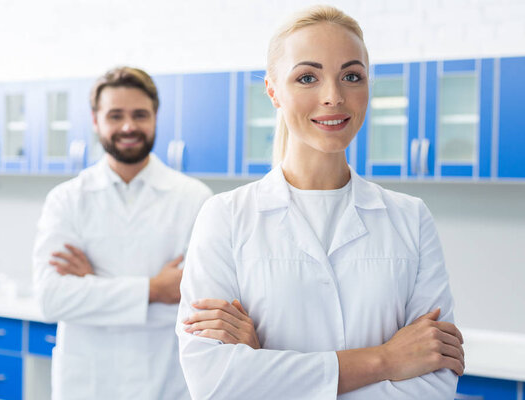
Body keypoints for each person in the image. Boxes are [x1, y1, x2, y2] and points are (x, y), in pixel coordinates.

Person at [176, 6, 464, 400]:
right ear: (273, 90)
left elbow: (435, 379)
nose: (334, 96)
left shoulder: (410, 218)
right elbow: (213, 381)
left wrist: (267, 368)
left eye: (351, 76)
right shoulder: (225, 217)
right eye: (308, 77)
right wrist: (385, 360)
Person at [33, 66, 212, 400]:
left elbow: (197, 309)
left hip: (165, 381)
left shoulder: (194, 198)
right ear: (95, 119)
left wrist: (91, 287)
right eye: (116, 115)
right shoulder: (67, 199)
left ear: (155, 117)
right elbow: (51, 299)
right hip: (86, 385)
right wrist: (154, 289)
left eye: (139, 115)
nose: (129, 127)